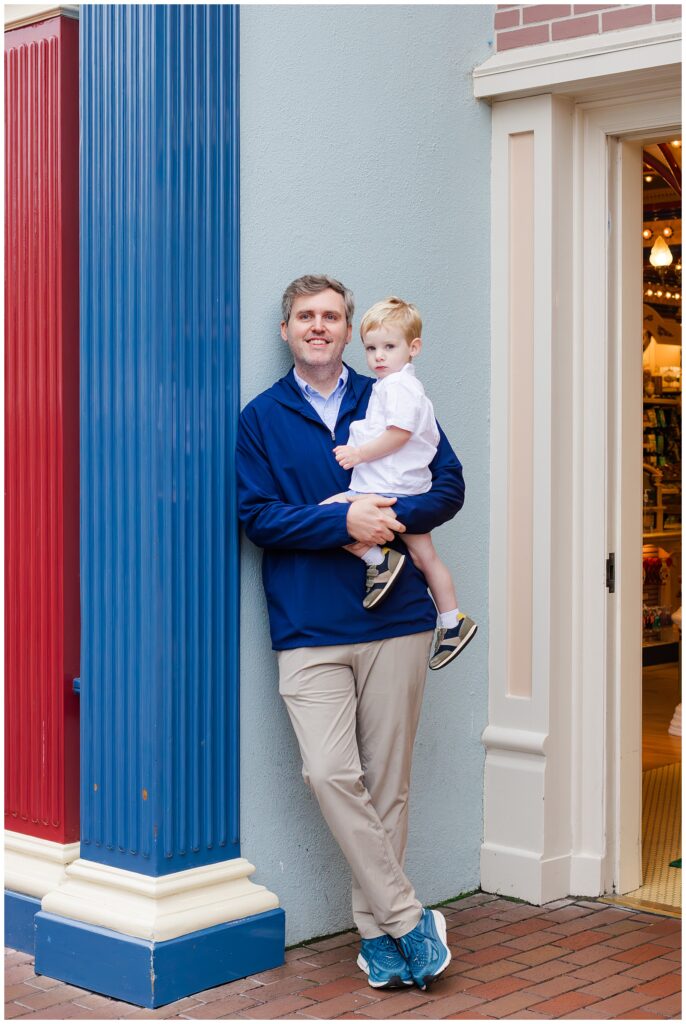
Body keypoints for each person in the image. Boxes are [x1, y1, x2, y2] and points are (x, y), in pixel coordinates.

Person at [236, 274, 466, 991]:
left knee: (388, 786)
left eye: (331, 315)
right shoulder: (261, 417)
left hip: (395, 618)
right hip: (307, 625)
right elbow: (257, 517)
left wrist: (385, 516)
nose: (319, 326)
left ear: (349, 328)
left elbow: (449, 485)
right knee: (329, 773)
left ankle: (380, 940)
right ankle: (408, 916)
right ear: (286, 330)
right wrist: (343, 521)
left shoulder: (392, 391)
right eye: (305, 316)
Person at [321, 296, 477, 670]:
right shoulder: (395, 386)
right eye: (371, 348)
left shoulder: (397, 388)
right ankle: (451, 620)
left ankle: (379, 558)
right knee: (426, 557)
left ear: (413, 348)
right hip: (404, 488)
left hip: (387, 487)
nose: (378, 356)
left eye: (389, 347)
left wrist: (359, 455)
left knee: (328, 515)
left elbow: (399, 434)